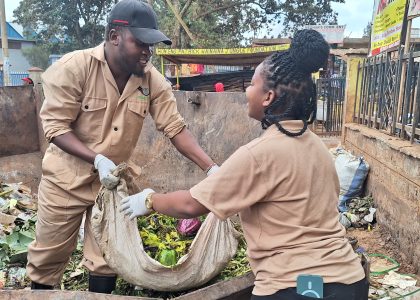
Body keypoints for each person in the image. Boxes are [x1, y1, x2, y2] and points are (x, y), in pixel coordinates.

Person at [120, 29, 369, 300]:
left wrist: (148, 201)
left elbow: (191, 205)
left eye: (251, 84)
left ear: (268, 97)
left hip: (295, 287)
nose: (247, 91)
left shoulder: (259, 153)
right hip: (349, 281)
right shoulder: (319, 148)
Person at [26, 0, 218, 294]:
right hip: (65, 181)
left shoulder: (151, 80)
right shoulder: (74, 68)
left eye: (151, 45)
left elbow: (175, 128)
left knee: (106, 258)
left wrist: (211, 168)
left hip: (111, 186)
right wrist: (98, 159)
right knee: (48, 257)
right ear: (115, 37)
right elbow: (55, 128)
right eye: (140, 42)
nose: (147, 52)